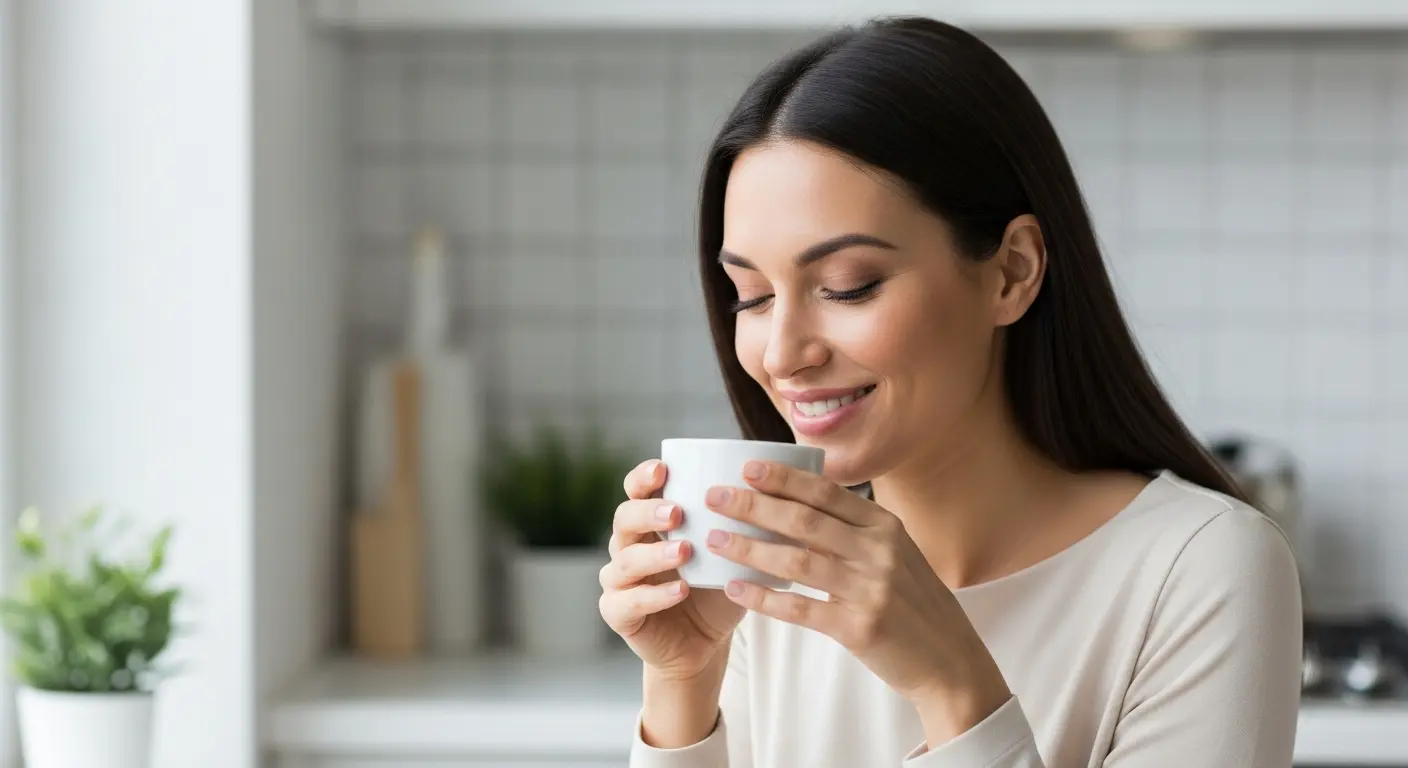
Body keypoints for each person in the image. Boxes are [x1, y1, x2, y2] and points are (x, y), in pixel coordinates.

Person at [597, 16, 1301, 768]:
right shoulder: (767, 580)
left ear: (1012, 271)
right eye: (751, 296)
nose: (782, 354)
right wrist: (681, 685)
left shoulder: (1202, 570)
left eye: (848, 286)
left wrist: (952, 686)